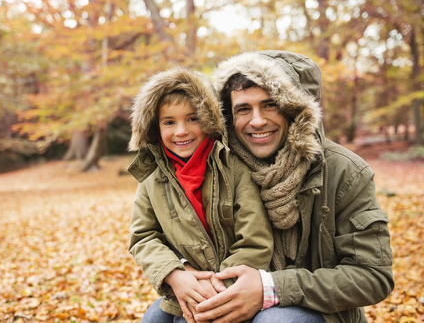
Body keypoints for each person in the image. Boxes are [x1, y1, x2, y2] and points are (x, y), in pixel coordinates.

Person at [185, 51, 394, 323]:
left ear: (296, 111)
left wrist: (271, 288)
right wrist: (178, 272)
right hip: (233, 298)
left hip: (321, 314)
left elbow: (373, 276)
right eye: (243, 109)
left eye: (270, 105)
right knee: (159, 315)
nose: (257, 121)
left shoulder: (345, 172)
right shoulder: (223, 168)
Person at [126, 66, 274, 322]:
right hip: (183, 284)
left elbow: (255, 240)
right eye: (169, 122)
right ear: (154, 127)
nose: (181, 131)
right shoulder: (151, 177)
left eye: (193, 118)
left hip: (234, 287)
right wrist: (175, 273)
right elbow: (144, 237)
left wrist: (213, 292)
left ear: (210, 119)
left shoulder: (234, 168)